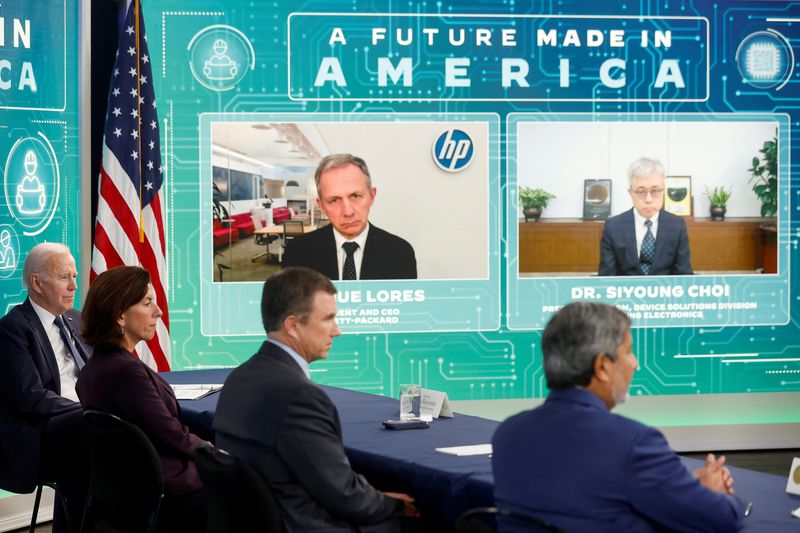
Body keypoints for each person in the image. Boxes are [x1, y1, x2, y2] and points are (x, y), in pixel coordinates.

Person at [492, 302, 746, 533]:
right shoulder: (634, 443)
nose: (635, 364)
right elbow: (721, 519)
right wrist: (715, 493)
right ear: (602, 367)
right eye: (629, 351)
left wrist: (687, 486)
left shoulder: (508, 433)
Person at [214, 267, 417, 532]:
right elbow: (345, 497)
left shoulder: (239, 378)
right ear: (293, 325)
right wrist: (395, 505)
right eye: (328, 319)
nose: (337, 331)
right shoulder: (300, 397)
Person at [76, 266, 206, 532]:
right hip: (170, 493)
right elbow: (173, 436)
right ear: (120, 316)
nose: (158, 312)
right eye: (148, 303)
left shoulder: (93, 369)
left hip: (127, 496)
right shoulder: (127, 372)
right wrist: (213, 451)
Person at [0, 242, 89, 533]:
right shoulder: (13, 328)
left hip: (81, 421)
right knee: (98, 431)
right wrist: (88, 410)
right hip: (41, 431)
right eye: (65, 277)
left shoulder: (75, 319)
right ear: (37, 282)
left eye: (75, 276)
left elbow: (98, 371)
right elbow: (32, 399)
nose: (75, 285)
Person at [283, 154, 417, 280]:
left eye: (355, 196)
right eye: (334, 200)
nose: (348, 212)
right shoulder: (297, 252)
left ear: (372, 196)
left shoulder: (400, 252)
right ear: (321, 205)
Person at [598, 157, 693, 276]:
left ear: (664, 191)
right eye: (640, 191)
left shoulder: (676, 226)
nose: (648, 199)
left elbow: (684, 275)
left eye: (655, 190)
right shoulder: (613, 227)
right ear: (630, 193)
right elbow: (607, 278)